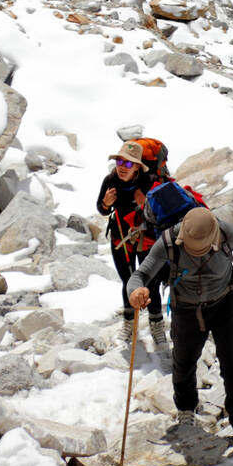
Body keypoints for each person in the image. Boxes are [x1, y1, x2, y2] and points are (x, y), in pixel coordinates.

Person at [127, 207, 233, 460]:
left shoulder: (226, 232)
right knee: (184, 362)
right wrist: (135, 292)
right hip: (186, 309)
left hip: (225, 304)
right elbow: (141, 274)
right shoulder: (167, 240)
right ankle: (186, 409)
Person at [96, 140, 167, 348]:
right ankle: (129, 323)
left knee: (149, 282)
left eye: (127, 163)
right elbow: (101, 209)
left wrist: (144, 203)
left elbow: (162, 214)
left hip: (146, 239)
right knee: (128, 282)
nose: (121, 167)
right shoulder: (110, 180)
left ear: (137, 166)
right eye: (119, 161)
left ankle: (156, 323)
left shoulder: (150, 181)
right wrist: (106, 204)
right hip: (121, 239)